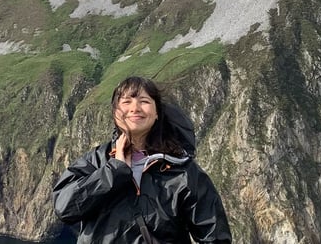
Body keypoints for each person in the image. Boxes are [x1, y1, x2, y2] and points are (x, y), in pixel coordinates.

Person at [52, 75, 232, 243]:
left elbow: (215, 237)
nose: (135, 108)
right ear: (115, 113)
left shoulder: (183, 172)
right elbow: (65, 208)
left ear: (157, 114)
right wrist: (113, 171)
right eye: (126, 101)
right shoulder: (95, 162)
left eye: (144, 101)